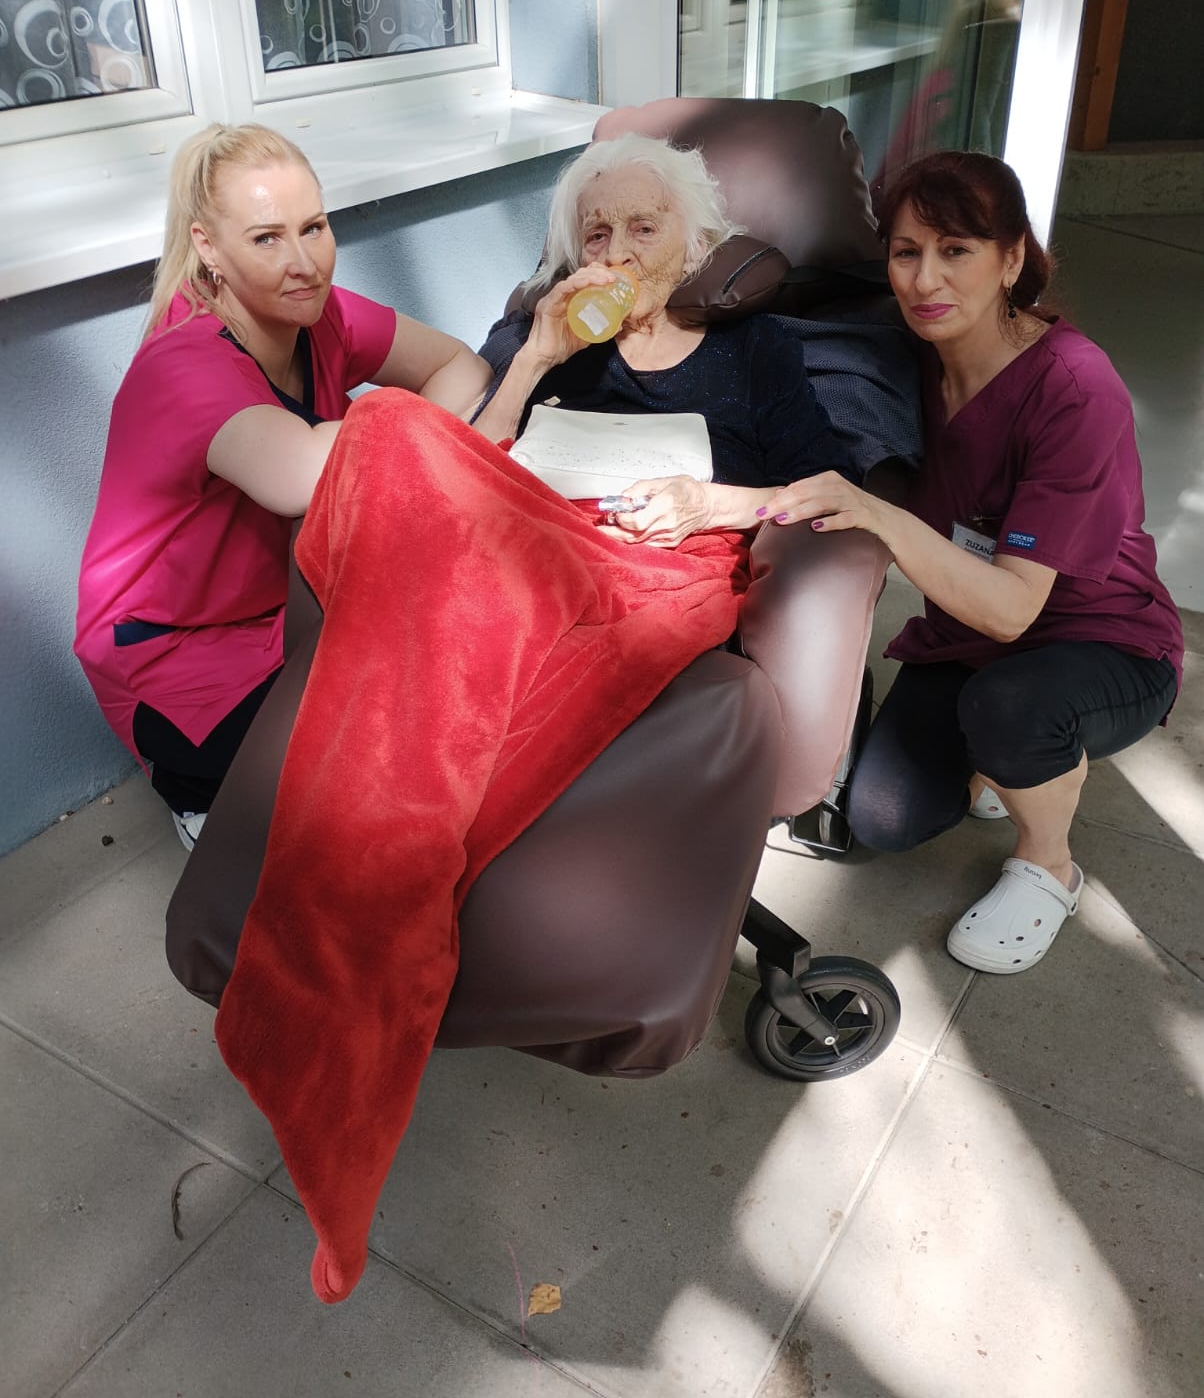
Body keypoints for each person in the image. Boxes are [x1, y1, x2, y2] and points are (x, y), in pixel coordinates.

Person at [200, 129, 873, 1305]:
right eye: (596, 232)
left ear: (692, 240)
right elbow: (458, 467)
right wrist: (535, 360)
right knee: (394, 431)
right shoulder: (547, 333)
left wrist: (711, 500)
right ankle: (361, 839)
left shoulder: (753, 348)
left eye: (644, 228)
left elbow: (821, 487)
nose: (618, 249)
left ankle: (382, 892)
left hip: (655, 562)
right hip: (521, 548)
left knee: (471, 673)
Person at [758, 150, 1182, 975]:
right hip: (966, 635)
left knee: (1011, 711)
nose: (925, 280)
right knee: (885, 818)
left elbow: (1014, 612)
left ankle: (1048, 861)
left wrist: (880, 515)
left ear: (1012, 259)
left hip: (1099, 641)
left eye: (957, 250)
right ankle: (1003, 765)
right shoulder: (904, 352)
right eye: (906, 252)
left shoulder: (1075, 388)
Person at [74, 123, 502, 851]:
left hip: (283, 609)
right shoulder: (183, 366)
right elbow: (302, 474)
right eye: (267, 238)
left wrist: (401, 430)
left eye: (314, 227)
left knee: (457, 672)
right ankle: (200, 797)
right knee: (384, 758)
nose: (305, 263)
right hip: (174, 653)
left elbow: (462, 366)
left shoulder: (319, 314)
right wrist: (405, 423)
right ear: (208, 247)